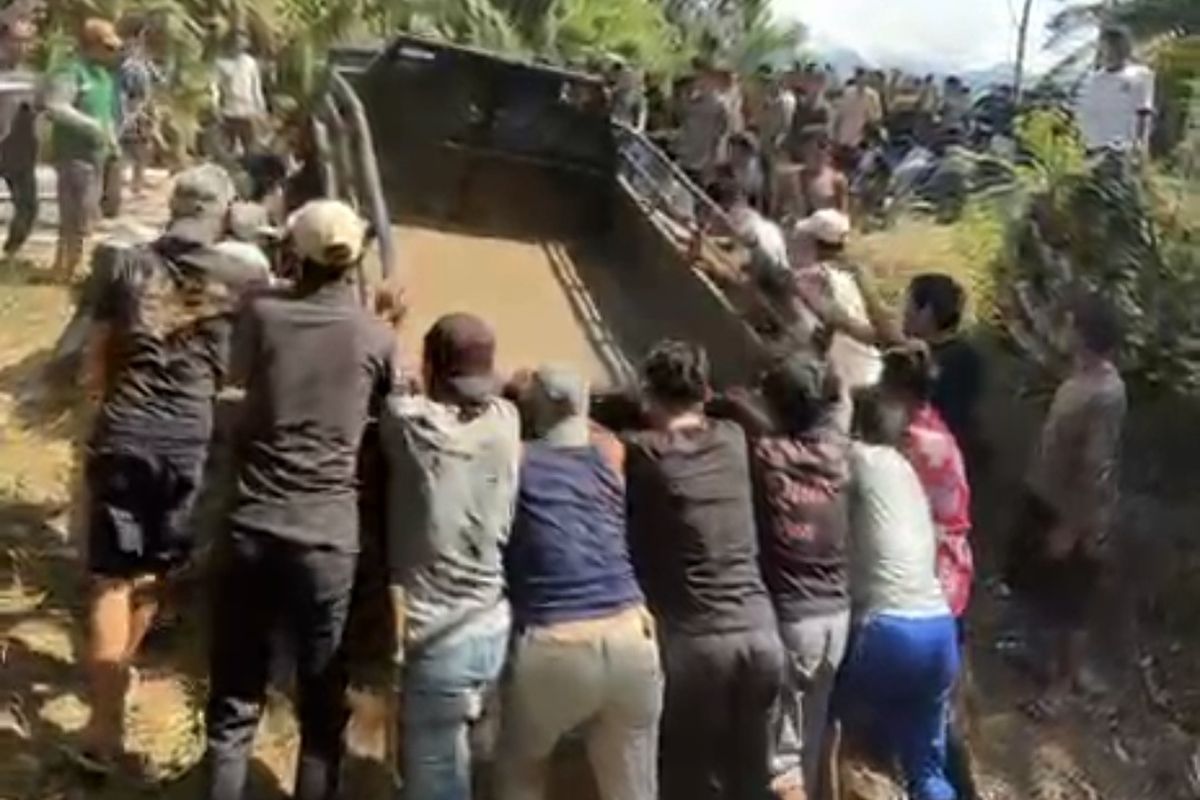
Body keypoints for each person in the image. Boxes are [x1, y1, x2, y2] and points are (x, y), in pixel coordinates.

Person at [204, 199, 394, 800]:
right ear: (357, 257)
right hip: (327, 538)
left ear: (293, 253)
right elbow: (388, 408)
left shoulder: (260, 314)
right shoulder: (376, 335)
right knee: (319, 707)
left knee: (235, 698)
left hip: (251, 523)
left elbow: (234, 382)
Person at [74, 165, 252, 775]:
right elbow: (237, 372)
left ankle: (102, 729)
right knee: (154, 572)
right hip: (186, 441)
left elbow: (97, 357)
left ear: (173, 207)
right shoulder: (241, 277)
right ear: (223, 214)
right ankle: (118, 675)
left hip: (124, 433)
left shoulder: (128, 265)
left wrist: (94, 417)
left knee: (109, 580)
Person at [624, 339, 784, 800]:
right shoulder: (734, 440)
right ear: (705, 392)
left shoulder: (646, 453)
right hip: (760, 633)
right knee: (749, 779)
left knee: (684, 780)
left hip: (698, 646)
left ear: (648, 395)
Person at [497, 365, 662, 800]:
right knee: (632, 789)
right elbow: (590, 427)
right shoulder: (610, 455)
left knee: (520, 774)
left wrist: (516, 397)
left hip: (557, 642)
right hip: (631, 635)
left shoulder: (517, 461)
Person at [382, 313, 522, 800]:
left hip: (439, 637)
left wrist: (387, 327)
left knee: (436, 781)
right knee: (466, 766)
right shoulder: (507, 424)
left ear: (433, 367)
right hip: (492, 626)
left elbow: (397, 395)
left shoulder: (411, 427)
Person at [718, 352, 853, 800]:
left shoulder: (767, 455)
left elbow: (743, 414)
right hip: (836, 616)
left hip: (796, 623)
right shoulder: (837, 452)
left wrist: (729, 402)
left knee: (781, 764)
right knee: (806, 748)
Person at [837, 387, 960, 800]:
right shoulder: (909, 474)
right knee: (926, 768)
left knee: (822, 723)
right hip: (940, 631)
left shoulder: (855, 459)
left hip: (888, 631)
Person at [1009, 290, 1126, 719]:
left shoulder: (1107, 393)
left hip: (1072, 513)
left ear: (1084, 333)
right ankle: (1040, 659)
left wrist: (1074, 527)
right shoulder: (1080, 377)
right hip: (1045, 499)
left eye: (1070, 323)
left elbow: (1096, 468)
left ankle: (1062, 687)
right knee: (1039, 587)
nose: (1063, 330)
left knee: (1069, 603)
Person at [44, 18, 122, 281]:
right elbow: (56, 107)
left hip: (98, 154)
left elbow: (107, 114)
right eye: (107, 48)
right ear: (91, 46)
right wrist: (91, 126)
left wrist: (112, 140)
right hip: (73, 153)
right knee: (74, 212)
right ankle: (67, 265)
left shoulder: (103, 76)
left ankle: (70, 263)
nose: (113, 54)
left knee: (88, 211)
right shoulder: (71, 71)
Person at [791, 209, 883, 393]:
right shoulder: (852, 275)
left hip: (849, 379)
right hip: (872, 371)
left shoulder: (813, 279)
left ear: (815, 243)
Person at [901, 274, 984, 456]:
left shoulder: (932, 359)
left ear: (927, 312)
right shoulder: (966, 353)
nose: (903, 314)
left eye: (908, 306)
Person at [1076, 24, 1155, 155]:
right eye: (1105, 48)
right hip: (1094, 147)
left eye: (1114, 47)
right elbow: (1084, 113)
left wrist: (1139, 145)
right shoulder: (1093, 81)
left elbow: (1144, 112)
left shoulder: (1141, 75)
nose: (1109, 53)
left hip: (1124, 149)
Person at [0, 16, 38, 259]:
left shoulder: (32, 78)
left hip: (19, 154)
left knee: (28, 207)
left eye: (27, 41)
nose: (22, 46)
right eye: (17, 40)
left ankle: (9, 254)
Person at [677, 61, 736, 188]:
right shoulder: (695, 99)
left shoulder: (721, 105)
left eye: (704, 77)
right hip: (686, 154)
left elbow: (722, 132)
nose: (700, 80)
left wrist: (712, 159)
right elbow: (682, 116)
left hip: (703, 159)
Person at [774, 127, 848, 225]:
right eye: (811, 148)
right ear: (803, 151)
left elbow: (843, 217)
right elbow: (776, 213)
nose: (817, 152)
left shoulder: (837, 180)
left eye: (822, 146)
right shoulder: (791, 179)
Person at [214, 29, 267, 156]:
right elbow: (216, 87)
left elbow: (256, 87)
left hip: (248, 111)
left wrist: (261, 109)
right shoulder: (222, 63)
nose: (239, 44)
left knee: (250, 146)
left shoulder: (250, 62)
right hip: (230, 110)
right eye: (236, 41)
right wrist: (216, 107)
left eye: (242, 41)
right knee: (229, 147)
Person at [833, 69, 882, 170]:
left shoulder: (872, 96)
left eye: (863, 77)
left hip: (858, 141)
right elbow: (840, 115)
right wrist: (835, 135)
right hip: (843, 138)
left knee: (854, 170)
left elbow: (875, 118)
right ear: (856, 77)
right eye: (859, 77)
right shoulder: (848, 93)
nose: (861, 80)